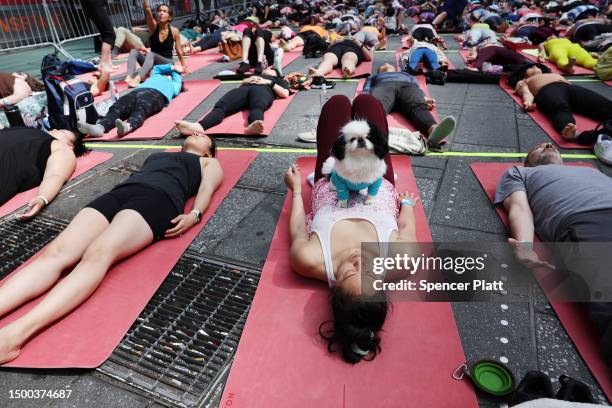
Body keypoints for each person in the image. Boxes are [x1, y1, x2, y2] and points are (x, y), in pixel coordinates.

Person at [0, 133, 221, 364]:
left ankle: (14, 336)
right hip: (118, 194)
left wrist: (194, 215)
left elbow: (207, 188)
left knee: (98, 253)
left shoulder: (208, 162)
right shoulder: (158, 155)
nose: (198, 133)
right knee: (56, 253)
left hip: (159, 200)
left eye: (204, 136)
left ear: (209, 151)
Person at [284, 93, 420, 363]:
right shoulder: (402, 261)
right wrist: (406, 205)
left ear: (334, 289)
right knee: (369, 103)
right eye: (367, 271)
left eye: (348, 271)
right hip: (376, 176)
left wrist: (297, 191)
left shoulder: (309, 260)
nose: (358, 260)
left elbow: (298, 230)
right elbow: (406, 228)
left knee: (336, 104)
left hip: (332, 177)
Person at [494, 142, 612, 366]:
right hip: (589, 220)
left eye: (550, 146)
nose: (548, 144)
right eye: (539, 147)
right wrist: (525, 246)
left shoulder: (589, 169)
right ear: (528, 162)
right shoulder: (520, 172)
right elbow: (519, 208)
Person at [509, 62, 612, 143]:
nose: (535, 66)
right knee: (559, 107)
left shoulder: (553, 74)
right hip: (546, 89)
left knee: (603, 104)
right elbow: (526, 92)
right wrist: (528, 102)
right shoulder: (524, 81)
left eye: (536, 66)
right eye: (531, 67)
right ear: (523, 75)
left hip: (569, 88)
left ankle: (609, 128)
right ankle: (573, 133)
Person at [0, 127, 89, 216]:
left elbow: (56, 175)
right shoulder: (33, 131)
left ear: (70, 146)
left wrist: (42, 198)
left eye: (62, 132)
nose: (55, 129)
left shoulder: (60, 145)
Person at [175, 66, 289, 136]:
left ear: (275, 73)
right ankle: (199, 126)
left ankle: (254, 125)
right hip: (244, 89)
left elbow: (285, 93)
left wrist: (269, 82)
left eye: (270, 68)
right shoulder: (254, 76)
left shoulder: (278, 79)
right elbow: (242, 83)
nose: (267, 69)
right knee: (221, 106)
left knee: (258, 105)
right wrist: (247, 80)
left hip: (263, 89)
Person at [78, 63, 184, 137]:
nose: (167, 75)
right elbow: (157, 68)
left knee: (141, 109)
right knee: (117, 107)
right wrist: (172, 67)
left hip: (156, 95)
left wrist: (175, 72)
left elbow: (178, 78)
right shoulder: (156, 75)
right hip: (136, 92)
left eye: (169, 75)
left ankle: (128, 126)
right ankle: (100, 127)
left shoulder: (173, 85)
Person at [364, 64, 456, 146]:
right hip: (383, 86)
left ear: (395, 69)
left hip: (406, 86)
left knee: (417, 106)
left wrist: (424, 98)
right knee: (377, 107)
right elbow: (366, 88)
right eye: (383, 65)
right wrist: (363, 98)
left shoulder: (406, 75)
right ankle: (367, 132)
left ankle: (433, 130)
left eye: (389, 64)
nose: (386, 64)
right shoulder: (374, 76)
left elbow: (416, 86)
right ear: (380, 71)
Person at [125, 2, 187, 88]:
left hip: (167, 63)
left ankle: (138, 79)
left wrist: (184, 66)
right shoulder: (153, 28)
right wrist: (146, 6)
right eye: (159, 11)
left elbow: (179, 51)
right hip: (152, 64)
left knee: (151, 54)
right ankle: (129, 77)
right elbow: (147, 11)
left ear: (170, 17)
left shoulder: (174, 31)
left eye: (164, 11)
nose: (161, 13)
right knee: (134, 51)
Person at [308, 38, 373, 79]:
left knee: (348, 59)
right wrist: (334, 42)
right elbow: (327, 49)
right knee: (329, 59)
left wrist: (358, 43)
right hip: (336, 47)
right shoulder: (337, 41)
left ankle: (347, 70)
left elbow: (369, 57)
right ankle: (319, 72)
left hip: (352, 48)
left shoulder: (358, 42)